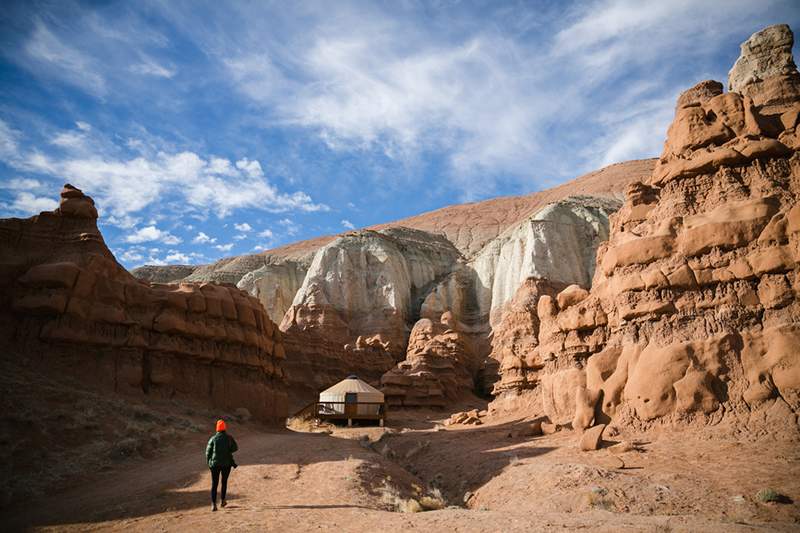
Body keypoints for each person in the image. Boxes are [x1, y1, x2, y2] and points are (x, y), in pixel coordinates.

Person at [206, 419, 238, 511]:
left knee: (214, 484)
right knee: (224, 482)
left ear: (217, 428)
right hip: (226, 464)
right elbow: (235, 448)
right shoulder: (229, 438)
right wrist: (227, 451)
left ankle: (213, 504)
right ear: (225, 428)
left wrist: (209, 462)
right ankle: (223, 501)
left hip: (214, 465)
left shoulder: (213, 439)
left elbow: (208, 452)